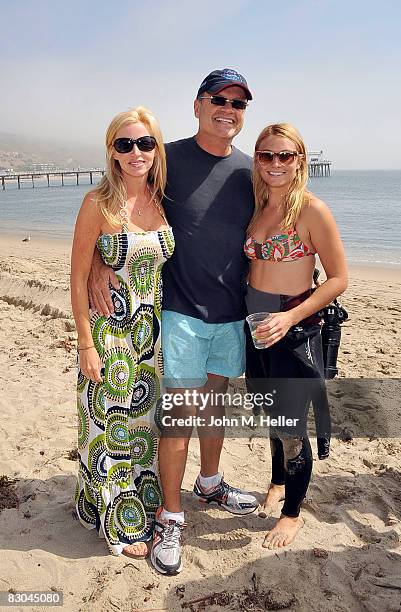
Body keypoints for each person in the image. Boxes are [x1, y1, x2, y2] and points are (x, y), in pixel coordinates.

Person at [88, 69, 259, 575]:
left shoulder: (252, 171)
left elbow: (278, 223)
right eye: (218, 98)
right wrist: (103, 258)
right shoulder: (171, 160)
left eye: (238, 102)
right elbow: (125, 201)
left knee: (214, 408)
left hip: (232, 313)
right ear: (198, 105)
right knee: (182, 417)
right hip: (182, 311)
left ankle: (209, 483)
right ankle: (171, 515)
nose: (228, 108)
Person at [70, 107, 174, 558]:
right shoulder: (97, 203)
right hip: (109, 335)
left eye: (145, 143)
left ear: (156, 148)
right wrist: (86, 344)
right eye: (125, 144)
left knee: (143, 427)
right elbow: (76, 278)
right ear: (112, 152)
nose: (137, 153)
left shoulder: (163, 197)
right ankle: (118, 520)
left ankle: (141, 503)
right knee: (110, 426)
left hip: (151, 337)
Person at [244, 123, 348, 549]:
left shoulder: (311, 210)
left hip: (292, 328)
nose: (275, 163)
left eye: (284, 155)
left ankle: (292, 514)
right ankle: (276, 480)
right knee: (271, 413)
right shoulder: (256, 205)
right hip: (253, 326)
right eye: (266, 155)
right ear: (257, 159)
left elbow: (338, 278)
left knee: (290, 422)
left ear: (300, 159)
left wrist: (290, 318)